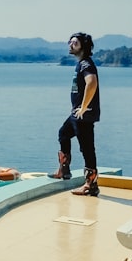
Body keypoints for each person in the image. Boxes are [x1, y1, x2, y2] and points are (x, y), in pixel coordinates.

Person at [50, 32, 101, 196]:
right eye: (70, 42)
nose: (70, 45)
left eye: (75, 43)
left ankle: (91, 185)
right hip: (76, 114)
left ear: (83, 47)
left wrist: (84, 107)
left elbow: (92, 82)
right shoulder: (81, 64)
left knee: (87, 149)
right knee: (63, 134)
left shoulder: (86, 64)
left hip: (83, 115)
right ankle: (64, 171)